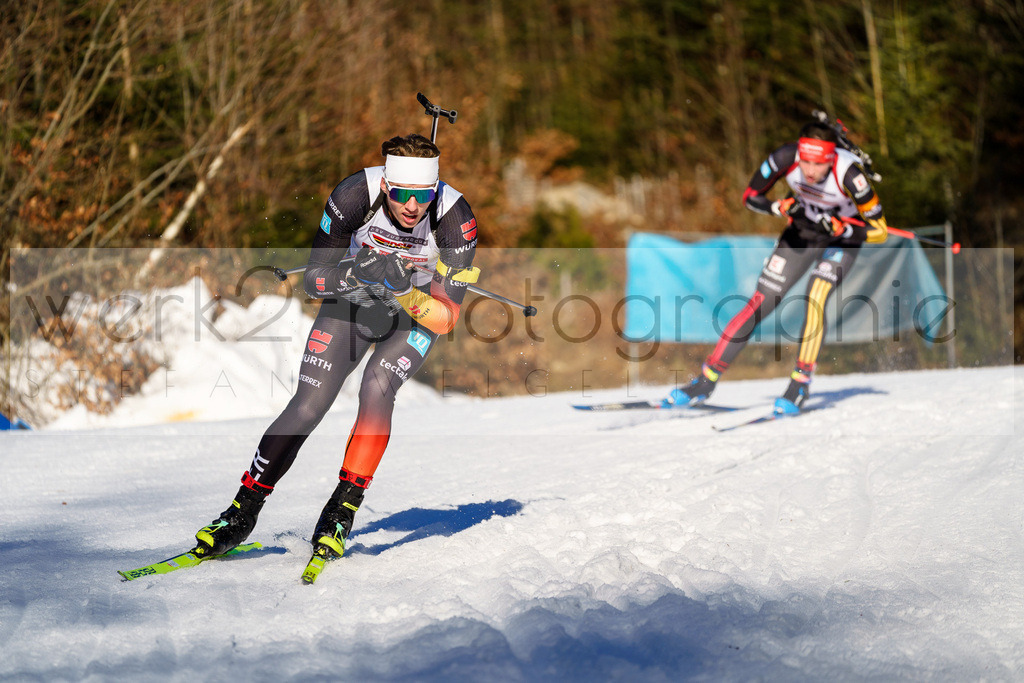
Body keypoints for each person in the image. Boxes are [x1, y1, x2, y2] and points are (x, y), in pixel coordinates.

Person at [194, 133, 480, 560]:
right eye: (401, 193)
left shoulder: (455, 219)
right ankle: (240, 512)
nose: (412, 206)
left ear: (434, 190)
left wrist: (404, 292)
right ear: (385, 185)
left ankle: (340, 514)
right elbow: (313, 280)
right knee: (310, 402)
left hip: (412, 313)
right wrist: (354, 275)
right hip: (353, 302)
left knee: (377, 387)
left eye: (422, 196)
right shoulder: (352, 196)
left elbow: (446, 317)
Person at [663, 120, 888, 414]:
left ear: (831, 158)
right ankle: (705, 380)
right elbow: (750, 197)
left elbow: (880, 230)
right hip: (802, 232)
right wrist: (776, 207)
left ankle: (799, 385)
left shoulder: (850, 175)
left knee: (816, 296)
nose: (809, 170)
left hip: (841, 240)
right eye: (805, 160)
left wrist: (843, 229)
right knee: (760, 302)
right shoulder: (784, 158)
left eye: (818, 163)